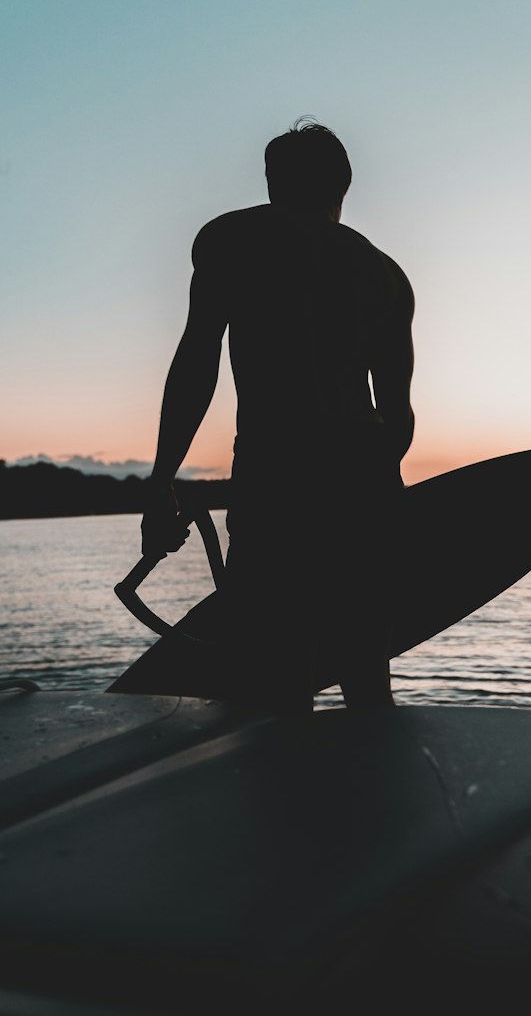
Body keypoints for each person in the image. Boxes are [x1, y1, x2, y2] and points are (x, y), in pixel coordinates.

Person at [140, 118, 415, 713]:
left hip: (278, 471)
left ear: (272, 183)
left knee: (275, 683)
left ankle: (286, 796)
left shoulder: (232, 239)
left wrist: (162, 478)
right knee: (367, 679)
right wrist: (372, 488)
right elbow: (398, 417)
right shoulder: (387, 276)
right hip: (365, 475)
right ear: (344, 182)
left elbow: (197, 362)